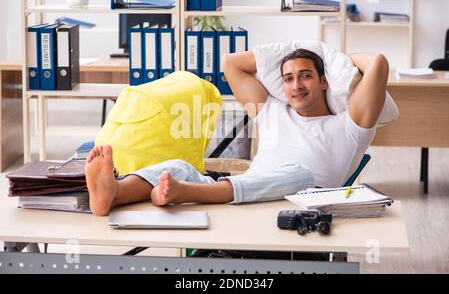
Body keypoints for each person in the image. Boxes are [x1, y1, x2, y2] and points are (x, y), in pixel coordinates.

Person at [85, 48, 389, 216]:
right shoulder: (271, 111)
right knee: (181, 167)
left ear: (324, 82)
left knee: (299, 175)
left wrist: (336, 57)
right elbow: (232, 63)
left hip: (297, 200)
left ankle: (185, 193)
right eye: (288, 78)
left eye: (306, 76)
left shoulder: (349, 127)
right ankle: (114, 192)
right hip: (237, 191)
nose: (296, 85)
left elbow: (377, 62)